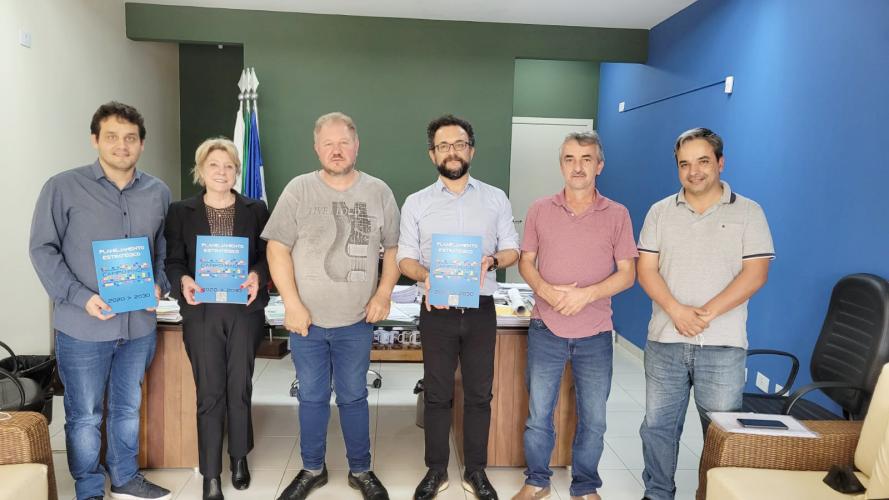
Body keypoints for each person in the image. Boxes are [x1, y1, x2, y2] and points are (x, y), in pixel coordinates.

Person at [29, 102, 173, 500]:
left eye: (130, 138)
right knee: (85, 415)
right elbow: (43, 250)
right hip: (83, 326)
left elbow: (161, 252)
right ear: (95, 140)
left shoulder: (158, 191)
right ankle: (89, 488)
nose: (121, 146)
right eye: (111, 136)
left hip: (138, 326)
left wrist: (159, 284)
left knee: (128, 409)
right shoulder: (62, 187)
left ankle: (125, 477)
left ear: (141, 144)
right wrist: (79, 297)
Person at [265, 112, 399, 500]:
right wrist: (291, 303)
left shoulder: (379, 192)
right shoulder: (298, 190)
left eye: (343, 142)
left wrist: (383, 294)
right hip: (305, 322)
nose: (336, 150)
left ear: (357, 146)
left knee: (355, 395)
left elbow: (392, 248)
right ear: (316, 148)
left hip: (356, 320)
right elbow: (277, 248)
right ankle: (312, 468)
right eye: (328, 144)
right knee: (311, 396)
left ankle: (361, 470)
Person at [636, 128, 775, 500]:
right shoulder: (660, 212)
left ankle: (712, 494)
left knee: (719, 434)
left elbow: (756, 273)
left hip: (723, 346)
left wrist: (704, 314)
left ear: (720, 163)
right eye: (684, 164)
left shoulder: (749, 211)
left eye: (702, 161)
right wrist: (677, 311)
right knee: (658, 428)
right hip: (665, 341)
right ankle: (658, 493)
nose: (693, 171)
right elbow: (646, 270)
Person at [398, 114, 520, 500]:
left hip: (482, 308)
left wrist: (492, 262)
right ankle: (436, 470)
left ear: (472, 150)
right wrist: (424, 275)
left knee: (480, 394)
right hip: (436, 310)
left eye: (460, 144)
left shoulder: (496, 197)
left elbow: (512, 249)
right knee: (437, 394)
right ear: (432, 154)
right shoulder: (416, 203)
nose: (453, 151)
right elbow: (405, 259)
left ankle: (476, 471)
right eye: (444, 145)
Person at [512, 132, 637, 500]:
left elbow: (627, 273)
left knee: (594, 419)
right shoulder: (539, 209)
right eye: (569, 158)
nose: (577, 166)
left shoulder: (617, 214)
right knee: (539, 415)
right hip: (545, 327)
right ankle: (537, 481)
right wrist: (548, 292)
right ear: (561, 164)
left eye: (586, 158)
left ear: (599, 165)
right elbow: (526, 262)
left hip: (596, 332)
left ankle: (584, 486)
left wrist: (585, 296)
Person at [164, 137, 270, 500]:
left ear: (237, 170)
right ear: (200, 170)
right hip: (202, 311)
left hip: (244, 310)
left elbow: (265, 255)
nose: (221, 172)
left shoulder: (256, 209)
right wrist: (184, 280)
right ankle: (211, 473)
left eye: (228, 166)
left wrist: (257, 274)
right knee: (209, 391)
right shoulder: (181, 211)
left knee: (239, 386)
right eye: (214, 165)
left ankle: (239, 455)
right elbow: (174, 260)